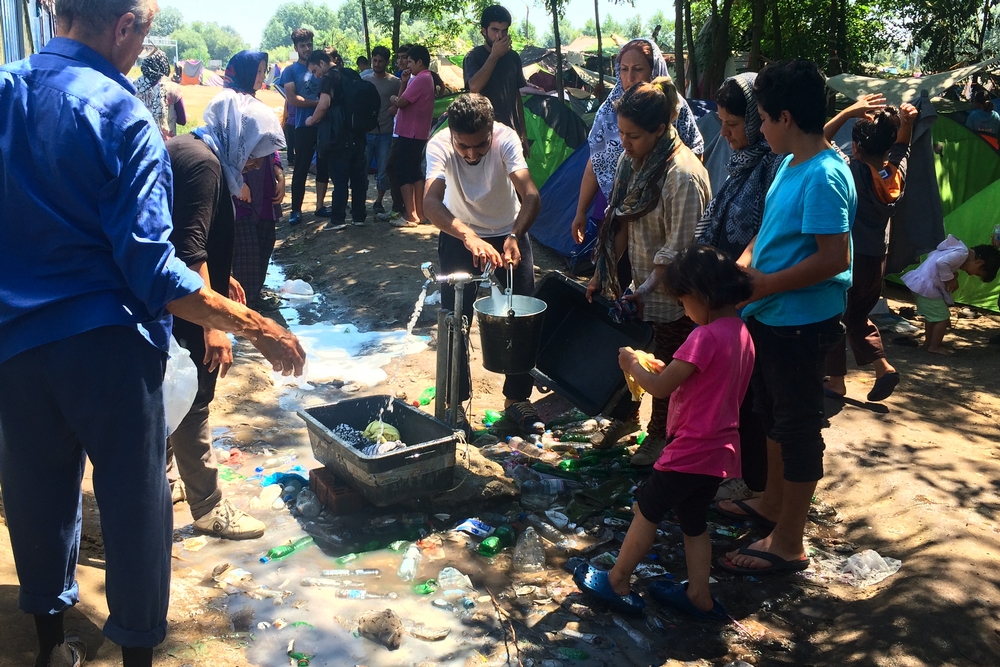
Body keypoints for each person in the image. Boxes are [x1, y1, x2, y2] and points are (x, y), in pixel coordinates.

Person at [0, 2, 306, 666]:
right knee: (136, 502)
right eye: (143, 33)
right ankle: (137, 652)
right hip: (109, 348)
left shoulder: (5, 89)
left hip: (16, 346)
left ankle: (52, 646)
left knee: (35, 492)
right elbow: (154, 272)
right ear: (126, 27)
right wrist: (258, 326)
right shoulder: (122, 115)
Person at [716, 60, 856, 577]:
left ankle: (790, 542)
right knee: (772, 413)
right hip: (771, 315)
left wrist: (766, 284)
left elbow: (834, 258)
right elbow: (769, 232)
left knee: (797, 427)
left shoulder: (824, 174)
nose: (760, 128)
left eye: (763, 118)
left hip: (800, 321)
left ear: (785, 117)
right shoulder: (791, 163)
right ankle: (772, 504)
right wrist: (744, 265)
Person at [575, 244, 755, 620]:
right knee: (693, 521)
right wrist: (661, 367)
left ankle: (618, 580)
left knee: (647, 508)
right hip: (720, 450)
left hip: (690, 448)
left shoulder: (703, 337)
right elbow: (702, 379)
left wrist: (631, 364)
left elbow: (660, 389)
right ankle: (699, 595)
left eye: (684, 302)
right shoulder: (741, 333)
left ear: (701, 295)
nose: (684, 311)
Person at [572, 39, 705, 450]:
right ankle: (627, 419)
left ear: (660, 130)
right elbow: (621, 222)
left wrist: (643, 290)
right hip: (642, 286)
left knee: (667, 368)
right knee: (633, 358)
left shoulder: (682, 176)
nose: (624, 143)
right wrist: (604, 275)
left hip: (677, 297)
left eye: (633, 136)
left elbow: (679, 252)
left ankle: (661, 438)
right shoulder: (632, 162)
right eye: (621, 133)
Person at [166, 89, 286, 539]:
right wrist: (212, 324)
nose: (255, 164)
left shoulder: (189, 149)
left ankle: (165, 479)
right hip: (183, 301)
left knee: (169, 389)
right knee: (193, 394)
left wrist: (222, 276)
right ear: (238, 136)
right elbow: (188, 248)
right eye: (254, 153)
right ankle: (209, 507)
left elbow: (183, 231)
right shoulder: (205, 166)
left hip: (169, 293)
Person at [424, 93, 542, 431]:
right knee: (455, 319)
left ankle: (517, 399)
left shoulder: (506, 140)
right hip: (459, 235)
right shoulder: (439, 145)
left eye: (480, 145)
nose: (472, 154)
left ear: (491, 130)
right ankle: (456, 403)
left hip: (508, 234)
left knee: (521, 317)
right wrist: (468, 236)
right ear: (452, 134)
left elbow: (531, 195)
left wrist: (515, 235)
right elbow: (430, 202)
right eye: (463, 146)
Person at [693, 72, 782, 503]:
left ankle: (755, 482)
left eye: (733, 125)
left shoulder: (775, 165)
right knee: (735, 390)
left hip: (755, 292)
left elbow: (770, 228)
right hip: (731, 290)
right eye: (722, 124)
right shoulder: (742, 164)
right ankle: (739, 471)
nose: (725, 134)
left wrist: (742, 264)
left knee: (753, 394)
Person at [822, 95, 917, 400]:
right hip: (878, 259)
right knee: (858, 316)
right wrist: (907, 123)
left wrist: (847, 112)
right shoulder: (895, 174)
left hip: (851, 258)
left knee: (834, 315)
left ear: (856, 147)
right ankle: (883, 367)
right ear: (886, 147)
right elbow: (903, 147)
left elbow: (819, 139)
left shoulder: (851, 169)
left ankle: (836, 380)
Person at [572, 38, 705, 246]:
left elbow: (693, 157)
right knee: (611, 260)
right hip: (612, 206)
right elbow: (596, 160)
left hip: (657, 215)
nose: (629, 77)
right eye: (623, 69)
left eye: (638, 69)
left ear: (654, 70)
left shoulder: (674, 109)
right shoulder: (609, 110)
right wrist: (580, 211)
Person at [224, 50, 286, 310]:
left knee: (264, 241)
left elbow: (270, 146)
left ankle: (255, 296)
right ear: (246, 73)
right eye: (258, 71)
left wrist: (279, 173)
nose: (262, 76)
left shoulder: (257, 105)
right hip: (241, 189)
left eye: (264, 70)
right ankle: (243, 306)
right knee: (245, 249)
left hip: (264, 184)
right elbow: (225, 150)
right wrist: (239, 182)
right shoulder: (229, 107)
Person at [900, 235, 1000, 354]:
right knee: (942, 318)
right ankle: (935, 346)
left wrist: (951, 274)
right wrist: (950, 279)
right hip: (926, 286)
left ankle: (929, 342)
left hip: (921, 284)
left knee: (933, 317)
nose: (971, 275)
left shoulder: (956, 250)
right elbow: (941, 263)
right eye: (977, 273)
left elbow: (934, 257)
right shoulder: (962, 253)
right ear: (979, 262)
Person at [305, 51, 369, 226]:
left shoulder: (328, 79)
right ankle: (359, 217)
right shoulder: (351, 73)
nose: (315, 75)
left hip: (338, 137)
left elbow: (324, 104)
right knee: (358, 179)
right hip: (358, 134)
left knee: (340, 180)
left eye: (314, 70)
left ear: (322, 63)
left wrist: (312, 119)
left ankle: (338, 219)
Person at [278, 28, 330, 225]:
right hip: (303, 125)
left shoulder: (322, 65)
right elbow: (292, 99)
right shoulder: (290, 71)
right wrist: (320, 104)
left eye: (309, 44)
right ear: (295, 48)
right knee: (300, 168)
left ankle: (320, 206)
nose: (307, 48)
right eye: (302, 45)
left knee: (323, 166)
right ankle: (296, 209)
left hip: (324, 125)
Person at [464, 5, 529, 155]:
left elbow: (516, 97)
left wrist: (523, 133)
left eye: (504, 31)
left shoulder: (513, 57)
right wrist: (494, 56)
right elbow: (474, 87)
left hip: (511, 133)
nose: (500, 36)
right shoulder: (473, 56)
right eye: (494, 30)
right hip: (483, 135)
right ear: (483, 31)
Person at [389, 44, 435, 228]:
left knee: (403, 171)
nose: (407, 65)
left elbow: (401, 102)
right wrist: (404, 82)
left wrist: (393, 99)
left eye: (409, 62)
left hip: (410, 132)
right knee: (415, 172)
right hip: (418, 133)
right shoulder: (427, 78)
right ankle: (420, 213)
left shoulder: (421, 78)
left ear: (419, 62)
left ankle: (410, 214)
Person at [364, 45, 400, 217]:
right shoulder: (365, 80)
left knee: (383, 170)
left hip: (385, 132)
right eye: (375, 60)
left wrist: (395, 108)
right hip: (366, 132)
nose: (377, 64)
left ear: (386, 62)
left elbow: (403, 100)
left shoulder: (395, 82)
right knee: (361, 168)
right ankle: (359, 200)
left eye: (380, 61)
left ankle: (378, 201)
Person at [134, 48, 185, 140]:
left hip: (139, 142)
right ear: (163, 64)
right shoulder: (173, 88)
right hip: (165, 144)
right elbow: (182, 120)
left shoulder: (134, 87)